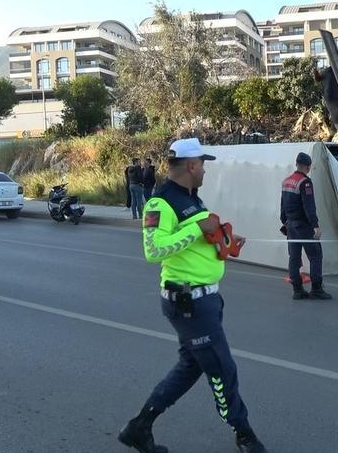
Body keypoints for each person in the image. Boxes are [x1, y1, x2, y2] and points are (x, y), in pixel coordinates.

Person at [118, 138, 267, 453]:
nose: (205, 171)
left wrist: (224, 237)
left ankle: (139, 427)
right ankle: (244, 433)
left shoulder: (193, 199)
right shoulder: (160, 203)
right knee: (222, 368)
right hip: (188, 302)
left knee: (191, 367)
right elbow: (154, 249)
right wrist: (198, 230)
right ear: (191, 165)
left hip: (206, 300)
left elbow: (198, 236)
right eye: (203, 164)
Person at [280, 152, 332, 300]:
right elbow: (309, 206)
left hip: (290, 226)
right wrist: (315, 225)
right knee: (315, 255)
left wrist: (284, 221)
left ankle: (297, 289)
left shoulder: (286, 181)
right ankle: (316, 289)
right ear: (308, 167)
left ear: (296, 164)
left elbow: (282, 206)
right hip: (304, 226)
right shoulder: (305, 182)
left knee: (294, 257)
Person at [312, 51, 338, 142]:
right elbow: (318, 79)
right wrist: (315, 73)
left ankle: (330, 138)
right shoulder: (327, 71)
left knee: (337, 119)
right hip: (330, 98)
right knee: (336, 116)